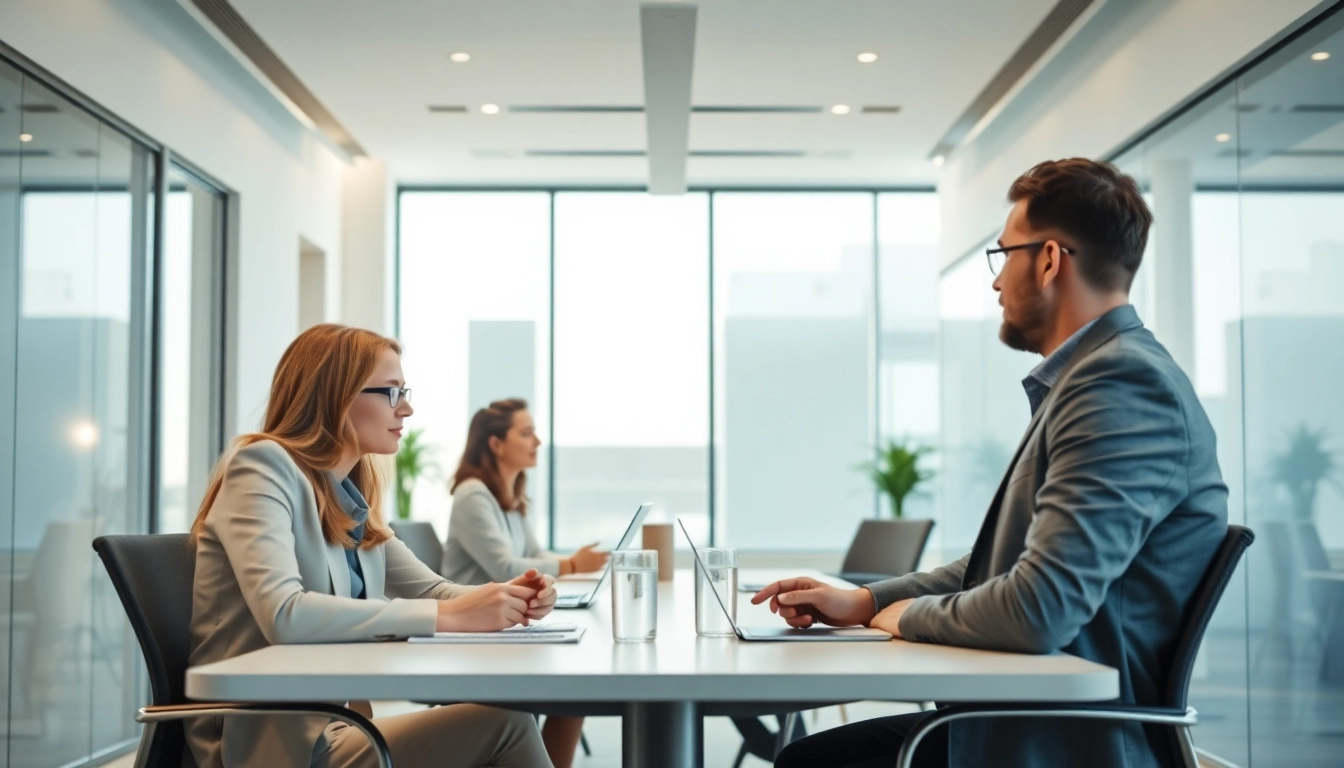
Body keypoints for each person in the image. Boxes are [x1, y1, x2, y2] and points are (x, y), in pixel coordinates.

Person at [757, 158, 1229, 768]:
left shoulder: (1121, 384)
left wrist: (905, 618)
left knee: (813, 763)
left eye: (1004, 255)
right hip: (1020, 717)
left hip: (1059, 742)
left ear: (1051, 259)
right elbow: (1004, 567)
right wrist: (870, 603)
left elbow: (1039, 609)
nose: (996, 281)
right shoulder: (1095, 378)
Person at [187, 324, 556, 768]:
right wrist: (451, 614)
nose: (407, 408)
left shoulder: (348, 496)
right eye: (391, 392)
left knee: (507, 722)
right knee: (508, 726)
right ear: (337, 395)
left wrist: (511, 595)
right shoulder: (262, 466)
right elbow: (284, 613)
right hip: (269, 740)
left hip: (334, 724)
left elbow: (435, 593)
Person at [442, 398, 605, 768]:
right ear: (496, 444)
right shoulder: (472, 494)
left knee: (575, 694)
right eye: (526, 432)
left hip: (505, 628)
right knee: (573, 693)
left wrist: (559, 567)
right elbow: (504, 566)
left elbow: (532, 554)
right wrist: (570, 563)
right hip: (474, 640)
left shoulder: (509, 499)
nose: (537, 442)